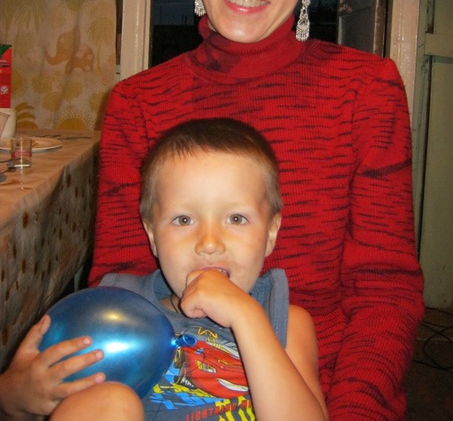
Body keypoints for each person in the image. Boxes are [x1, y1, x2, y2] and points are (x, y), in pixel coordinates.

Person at [88, 0, 424, 420]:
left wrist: (356, 412)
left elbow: (384, 291)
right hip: (166, 393)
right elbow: (119, 288)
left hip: (316, 392)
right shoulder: (136, 104)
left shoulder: (366, 91)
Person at [0, 118, 328, 421]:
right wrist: (16, 396)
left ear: (270, 233)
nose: (209, 243)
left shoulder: (284, 321)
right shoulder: (111, 310)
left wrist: (246, 315)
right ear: (153, 236)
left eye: (235, 218)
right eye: (184, 220)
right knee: (109, 400)